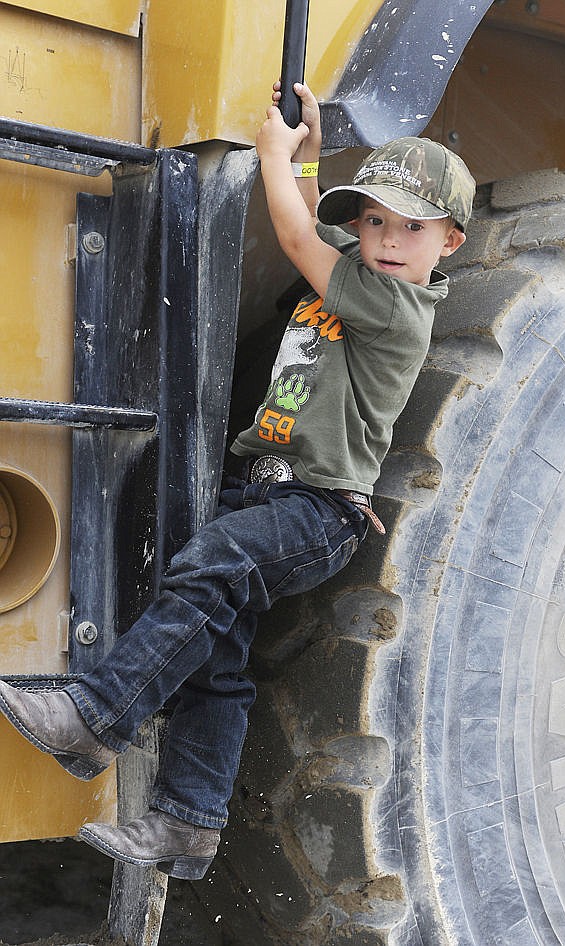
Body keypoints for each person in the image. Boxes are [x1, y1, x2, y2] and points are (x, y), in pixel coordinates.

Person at [0, 83, 475, 880]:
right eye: (376, 222)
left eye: (413, 228)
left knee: (207, 567)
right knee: (217, 654)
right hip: (271, 490)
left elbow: (297, 235)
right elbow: (323, 221)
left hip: (316, 508)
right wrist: (312, 156)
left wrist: (269, 158)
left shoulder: (397, 304)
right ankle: (188, 822)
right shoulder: (360, 269)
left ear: (450, 244)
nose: (389, 241)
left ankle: (96, 718)